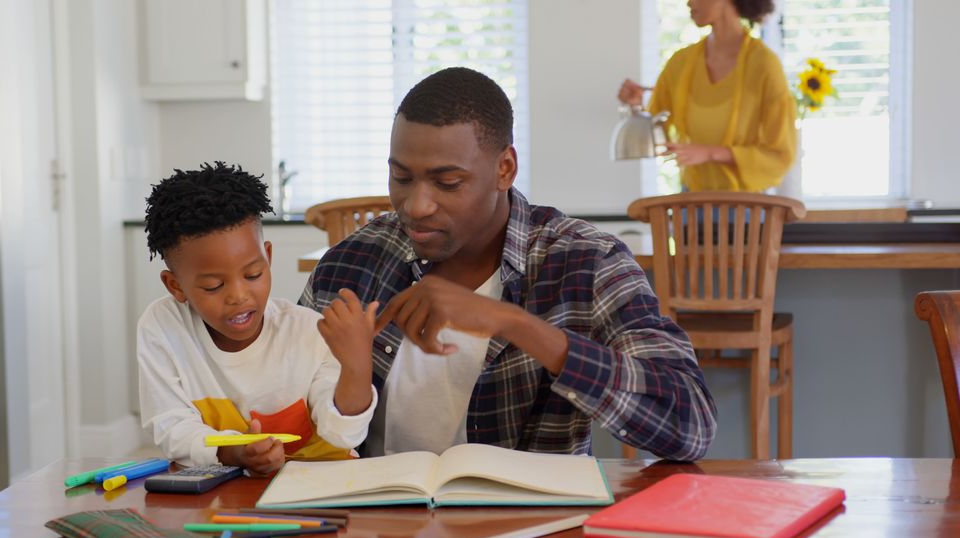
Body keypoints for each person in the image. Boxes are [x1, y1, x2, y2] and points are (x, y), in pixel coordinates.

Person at [301, 67, 716, 461]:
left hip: (530, 531)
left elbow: (691, 426)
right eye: (402, 178)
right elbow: (281, 401)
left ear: (505, 169)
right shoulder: (350, 264)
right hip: (375, 528)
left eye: (448, 183)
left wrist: (517, 325)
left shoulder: (586, 262)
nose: (417, 205)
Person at [138, 162, 378, 474]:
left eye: (253, 274)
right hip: (231, 497)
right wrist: (233, 451)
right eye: (214, 285)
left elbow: (343, 433)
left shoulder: (307, 332)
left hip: (327, 489)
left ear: (268, 256)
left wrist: (357, 367)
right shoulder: (164, 327)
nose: (238, 295)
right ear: (175, 286)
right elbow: (172, 427)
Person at [619, 0, 795, 192]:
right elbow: (656, 133)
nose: (689, 3)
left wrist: (711, 153)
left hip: (747, 208)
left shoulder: (764, 64)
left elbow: (779, 154)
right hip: (691, 203)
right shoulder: (680, 63)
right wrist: (636, 106)